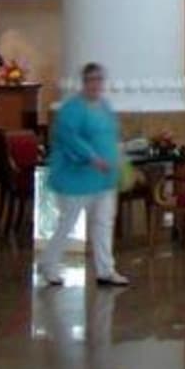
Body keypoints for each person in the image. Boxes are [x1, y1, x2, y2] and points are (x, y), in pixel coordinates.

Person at [38, 62, 129, 289]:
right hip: (77, 177)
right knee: (68, 222)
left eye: (99, 79)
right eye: (92, 80)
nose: (96, 84)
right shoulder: (72, 109)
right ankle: (48, 265)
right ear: (84, 82)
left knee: (104, 223)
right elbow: (69, 138)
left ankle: (106, 270)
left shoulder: (105, 106)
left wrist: (118, 156)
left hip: (104, 178)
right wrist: (92, 157)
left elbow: (111, 135)